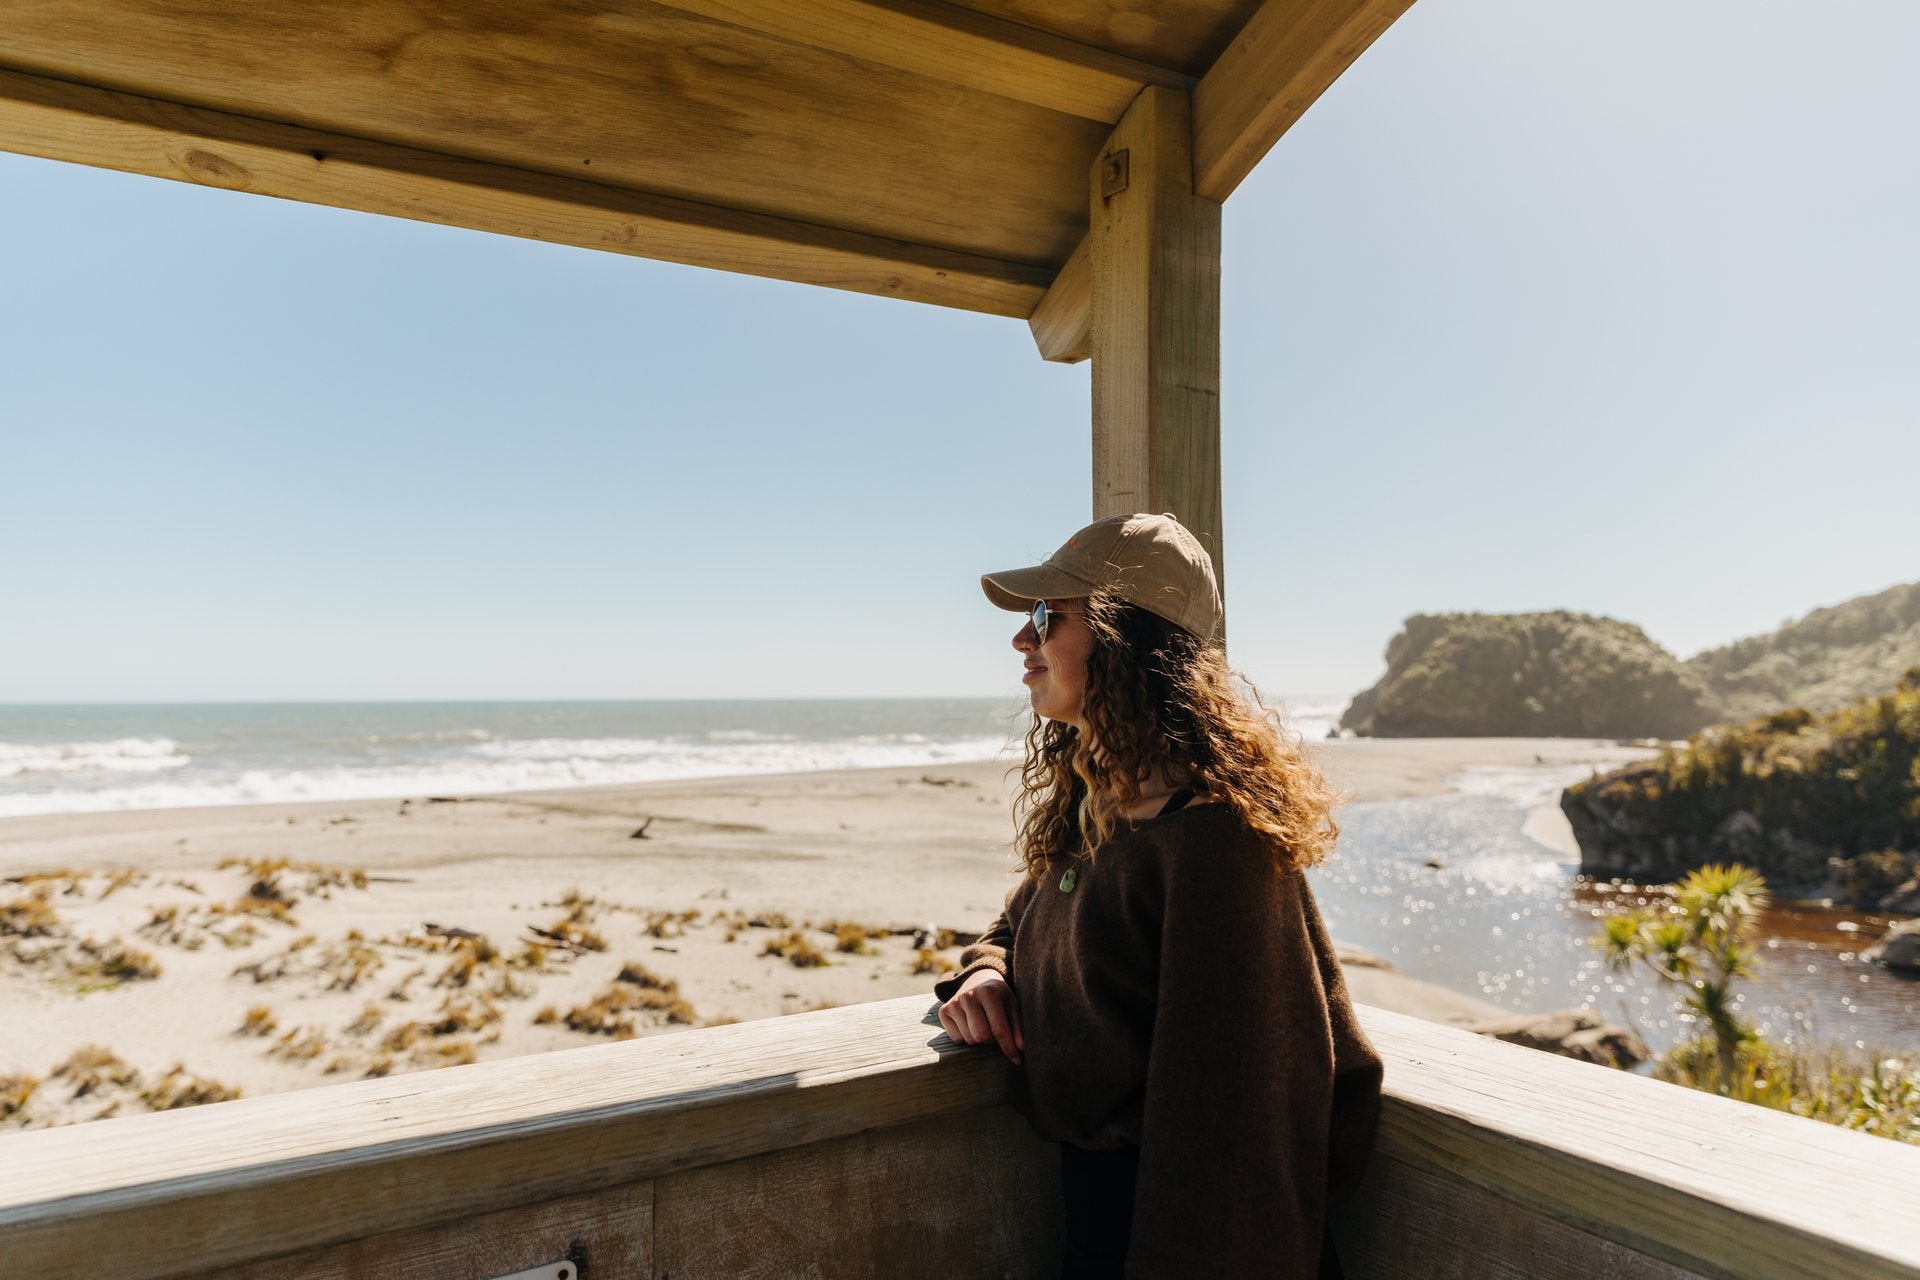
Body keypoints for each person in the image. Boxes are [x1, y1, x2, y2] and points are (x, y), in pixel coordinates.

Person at [935, 512, 1383, 1279]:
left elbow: (1232, 1128)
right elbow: (1018, 926)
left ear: (1123, 638)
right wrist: (987, 973)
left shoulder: (1214, 845)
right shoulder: (1103, 811)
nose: (1022, 641)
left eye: (1047, 617)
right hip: (1107, 1221)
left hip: (1184, 1240)